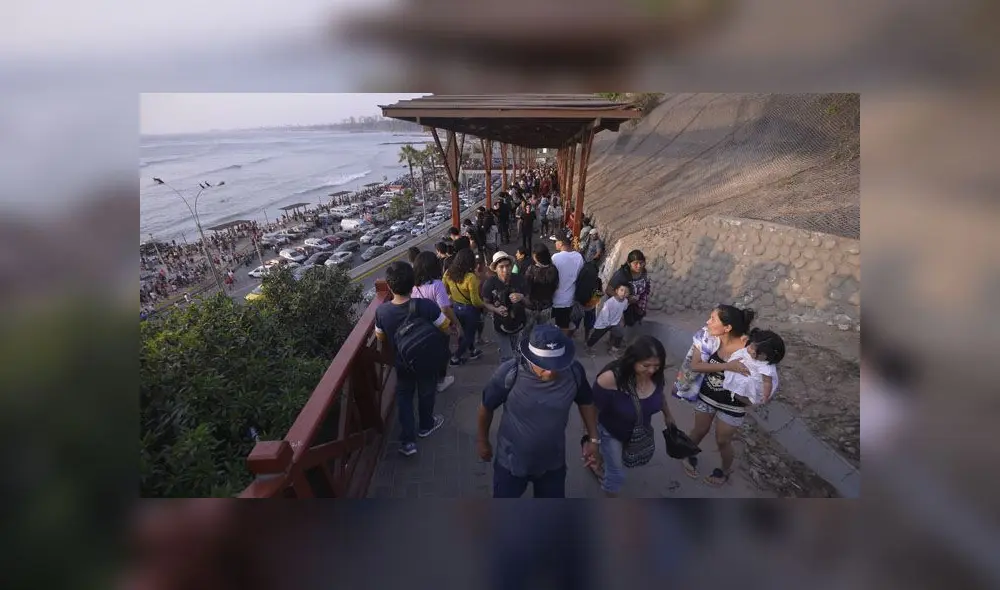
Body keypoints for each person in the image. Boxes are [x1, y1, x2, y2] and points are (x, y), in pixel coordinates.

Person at [477, 325, 601, 498]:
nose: (550, 371)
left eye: (556, 364)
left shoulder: (574, 371)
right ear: (530, 358)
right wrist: (482, 441)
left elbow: (586, 402)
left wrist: (593, 439)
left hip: (552, 463)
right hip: (511, 463)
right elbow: (486, 406)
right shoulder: (508, 372)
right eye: (543, 365)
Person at [375, 261, 450, 456]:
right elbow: (444, 327)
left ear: (389, 286)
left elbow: (380, 337)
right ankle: (426, 425)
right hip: (427, 360)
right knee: (426, 392)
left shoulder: (382, 312)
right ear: (412, 284)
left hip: (402, 362)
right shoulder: (425, 306)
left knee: (404, 396)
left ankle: (408, 441)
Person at [589, 336, 675, 497]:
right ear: (632, 361)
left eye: (656, 365)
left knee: (616, 461)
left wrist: (668, 415)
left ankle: (600, 462)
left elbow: (660, 395)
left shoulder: (656, 375)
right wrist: (592, 438)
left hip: (638, 431)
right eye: (646, 365)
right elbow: (592, 408)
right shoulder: (610, 379)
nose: (651, 370)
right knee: (616, 474)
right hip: (611, 432)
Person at [679, 305, 755, 486]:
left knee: (723, 441)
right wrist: (727, 366)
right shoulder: (707, 337)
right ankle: (688, 455)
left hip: (733, 404)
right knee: (699, 431)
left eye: (713, 319)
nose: (707, 322)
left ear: (727, 327)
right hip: (707, 396)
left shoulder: (750, 348)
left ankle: (725, 470)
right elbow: (696, 365)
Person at [412, 251, 458, 393]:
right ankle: (441, 381)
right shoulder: (437, 285)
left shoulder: (413, 286)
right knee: (443, 353)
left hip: (421, 327)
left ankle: (429, 380)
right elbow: (445, 309)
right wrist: (455, 323)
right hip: (438, 326)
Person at [481, 251, 528, 362]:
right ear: (495, 269)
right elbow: (486, 302)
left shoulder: (520, 279)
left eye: (508, 266)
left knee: (515, 346)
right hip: (500, 323)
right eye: (501, 267)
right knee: (507, 357)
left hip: (518, 322)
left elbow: (529, 302)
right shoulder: (489, 283)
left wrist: (521, 297)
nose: (505, 270)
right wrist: (496, 309)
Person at [444, 248, 485, 365]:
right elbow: (475, 301)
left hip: (456, 308)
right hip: (470, 310)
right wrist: (486, 305)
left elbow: (444, 288)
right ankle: (455, 357)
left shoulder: (448, 273)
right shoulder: (470, 277)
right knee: (469, 335)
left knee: (462, 332)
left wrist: (452, 294)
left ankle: (472, 351)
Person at [724, 328, 785, 405]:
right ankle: (733, 388)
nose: (750, 350)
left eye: (755, 351)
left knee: (747, 387)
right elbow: (742, 354)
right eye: (751, 346)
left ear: (767, 356)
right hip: (744, 372)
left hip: (754, 381)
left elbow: (767, 382)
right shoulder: (748, 351)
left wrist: (766, 396)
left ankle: (743, 397)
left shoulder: (766, 367)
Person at [607, 249, 651, 339]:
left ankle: (613, 341)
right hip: (619, 302)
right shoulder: (621, 274)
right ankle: (614, 348)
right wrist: (624, 298)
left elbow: (645, 286)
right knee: (620, 323)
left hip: (633, 304)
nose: (639, 266)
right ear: (628, 263)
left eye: (642, 263)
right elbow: (608, 290)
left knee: (628, 322)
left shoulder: (643, 272)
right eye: (636, 263)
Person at [551, 230, 585, 336]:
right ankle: (563, 343)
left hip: (556, 298)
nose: (555, 243)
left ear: (561, 243)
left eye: (555, 241)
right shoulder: (579, 257)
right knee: (564, 324)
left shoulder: (555, 258)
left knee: (554, 323)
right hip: (570, 298)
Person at [523, 243, 559, 337]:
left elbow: (525, 286)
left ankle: (524, 346)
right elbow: (555, 286)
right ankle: (540, 346)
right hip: (546, 306)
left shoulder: (531, 269)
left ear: (538, 257)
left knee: (527, 329)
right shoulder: (553, 269)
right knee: (543, 330)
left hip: (531, 305)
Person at [585, 282, 630, 355]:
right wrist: (607, 323)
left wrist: (621, 319)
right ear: (616, 291)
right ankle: (588, 346)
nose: (623, 293)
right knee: (596, 336)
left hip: (615, 323)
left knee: (620, 334)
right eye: (621, 290)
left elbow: (623, 309)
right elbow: (604, 313)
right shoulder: (610, 302)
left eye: (626, 292)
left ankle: (614, 349)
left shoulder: (625, 301)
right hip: (604, 323)